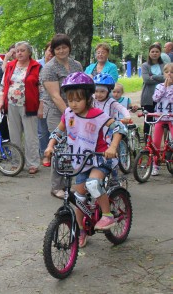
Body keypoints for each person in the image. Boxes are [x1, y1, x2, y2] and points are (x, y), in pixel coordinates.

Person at [44, 72, 125, 248]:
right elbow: (59, 131)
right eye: (70, 99)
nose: (73, 103)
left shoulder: (98, 114)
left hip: (99, 159)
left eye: (78, 99)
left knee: (93, 184)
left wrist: (112, 147)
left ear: (89, 98)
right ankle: (81, 230)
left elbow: (119, 127)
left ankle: (107, 214)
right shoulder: (68, 113)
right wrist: (50, 146)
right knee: (79, 198)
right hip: (80, 161)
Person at [40, 33, 83, 198]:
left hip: (76, 110)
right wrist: (70, 114)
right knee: (60, 147)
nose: (61, 51)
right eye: (58, 48)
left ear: (69, 48)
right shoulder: (49, 69)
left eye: (64, 47)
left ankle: (69, 185)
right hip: (57, 112)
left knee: (74, 147)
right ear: (53, 50)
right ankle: (56, 187)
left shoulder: (76, 65)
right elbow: (55, 96)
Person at [0, 41, 42, 174]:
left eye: (22, 50)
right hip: (11, 105)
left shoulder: (36, 66)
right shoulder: (10, 65)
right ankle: (16, 162)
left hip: (29, 105)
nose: (19, 53)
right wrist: (0, 101)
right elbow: (3, 85)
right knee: (14, 135)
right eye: (17, 51)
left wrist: (41, 107)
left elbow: (42, 89)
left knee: (30, 136)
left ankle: (32, 163)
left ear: (29, 52)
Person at [151, 63, 173, 176]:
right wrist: (164, 86)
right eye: (167, 72)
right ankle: (156, 165)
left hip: (171, 117)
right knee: (155, 143)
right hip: (159, 116)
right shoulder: (159, 86)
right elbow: (155, 98)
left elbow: (171, 98)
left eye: (172, 72)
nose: (169, 74)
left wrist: (169, 87)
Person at [141, 43, 165, 138]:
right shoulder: (145, 65)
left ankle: (162, 141)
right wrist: (161, 77)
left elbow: (168, 78)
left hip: (163, 97)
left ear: (160, 53)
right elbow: (146, 80)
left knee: (162, 120)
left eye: (157, 52)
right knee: (148, 120)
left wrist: (154, 76)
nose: (154, 53)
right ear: (149, 53)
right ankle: (147, 141)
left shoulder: (164, 65)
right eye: (152, 52)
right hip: (148, 97)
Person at [37, 42, 54, 167]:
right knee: (42, 131)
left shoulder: (58, 65)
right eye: (49, 50)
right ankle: (45, 155)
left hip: (55, 101)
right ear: (45, 51)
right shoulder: (37, 65)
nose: (50, 54)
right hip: (40, 102)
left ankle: (56, 154)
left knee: (55, 129)